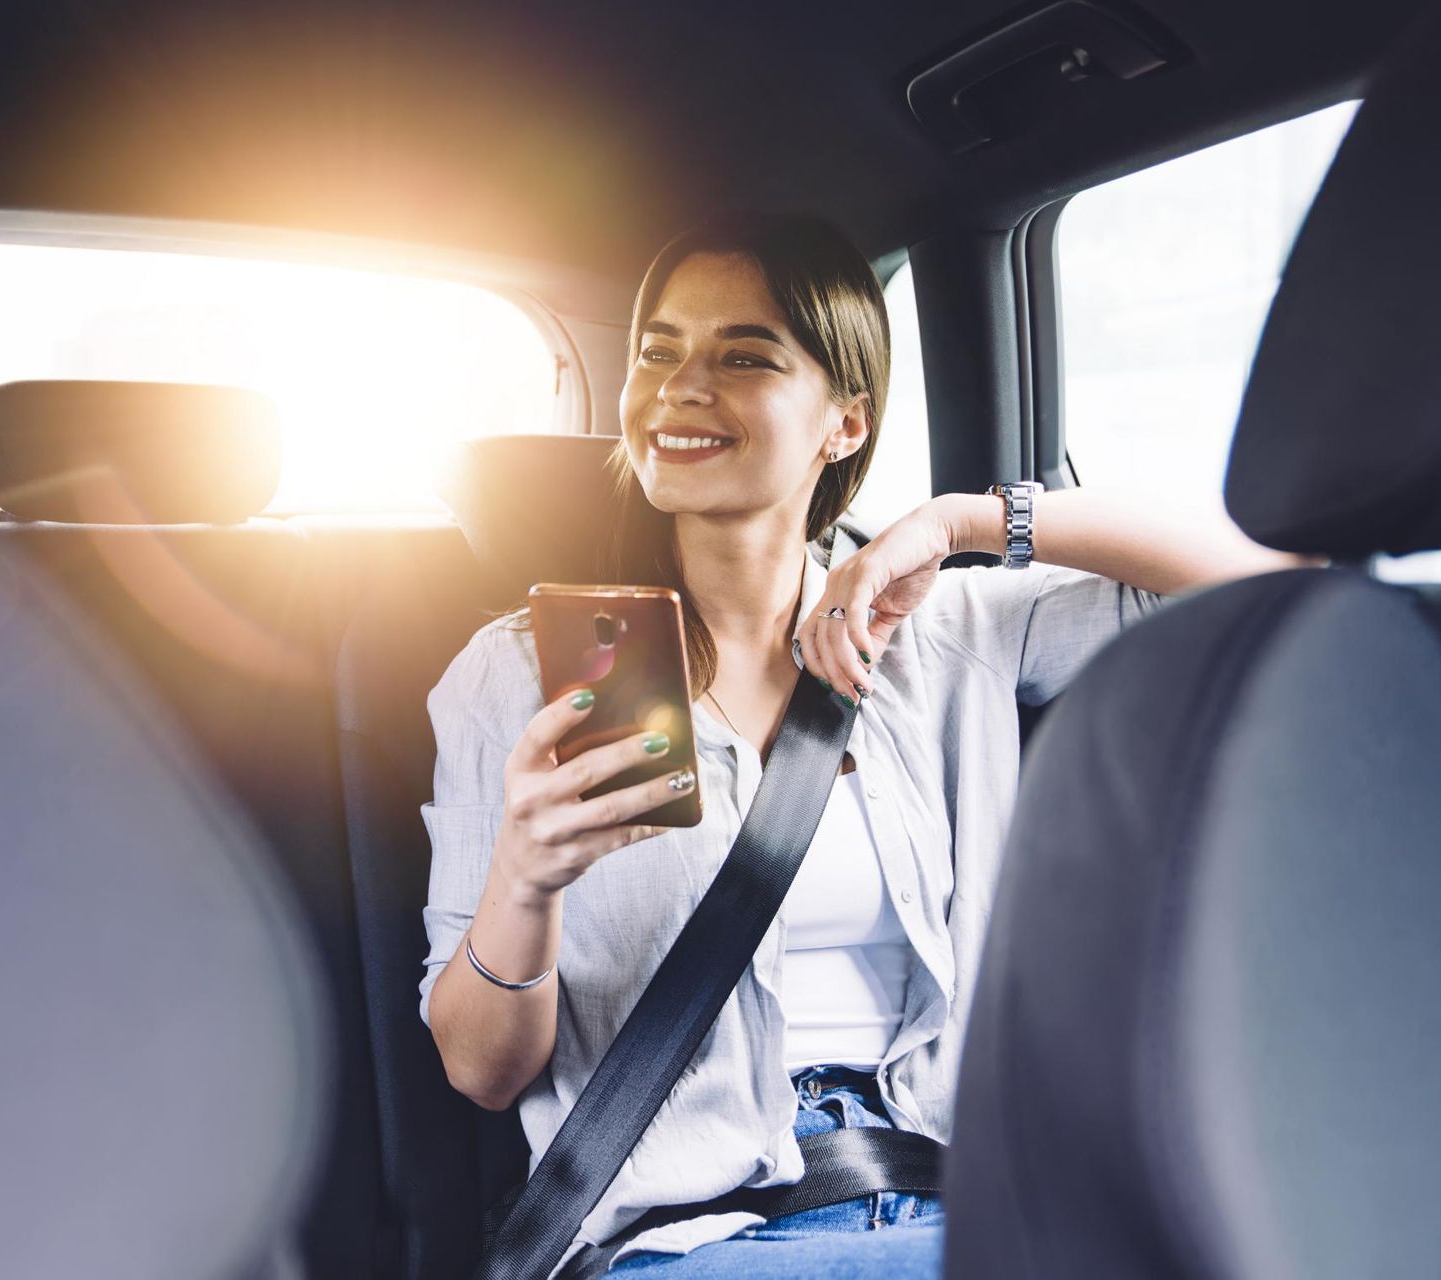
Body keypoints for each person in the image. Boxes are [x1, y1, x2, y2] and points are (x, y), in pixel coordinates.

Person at [418, 211, 1302, 1278]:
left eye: (744, 356)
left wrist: (968, 523)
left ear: (844, 423)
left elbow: (1280, 582)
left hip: (955, 1198)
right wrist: (526, 880)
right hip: (686, 1234)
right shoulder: (514, 676)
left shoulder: (946, 632)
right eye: (658, 351)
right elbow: (480, 1071)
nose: (680, 387)